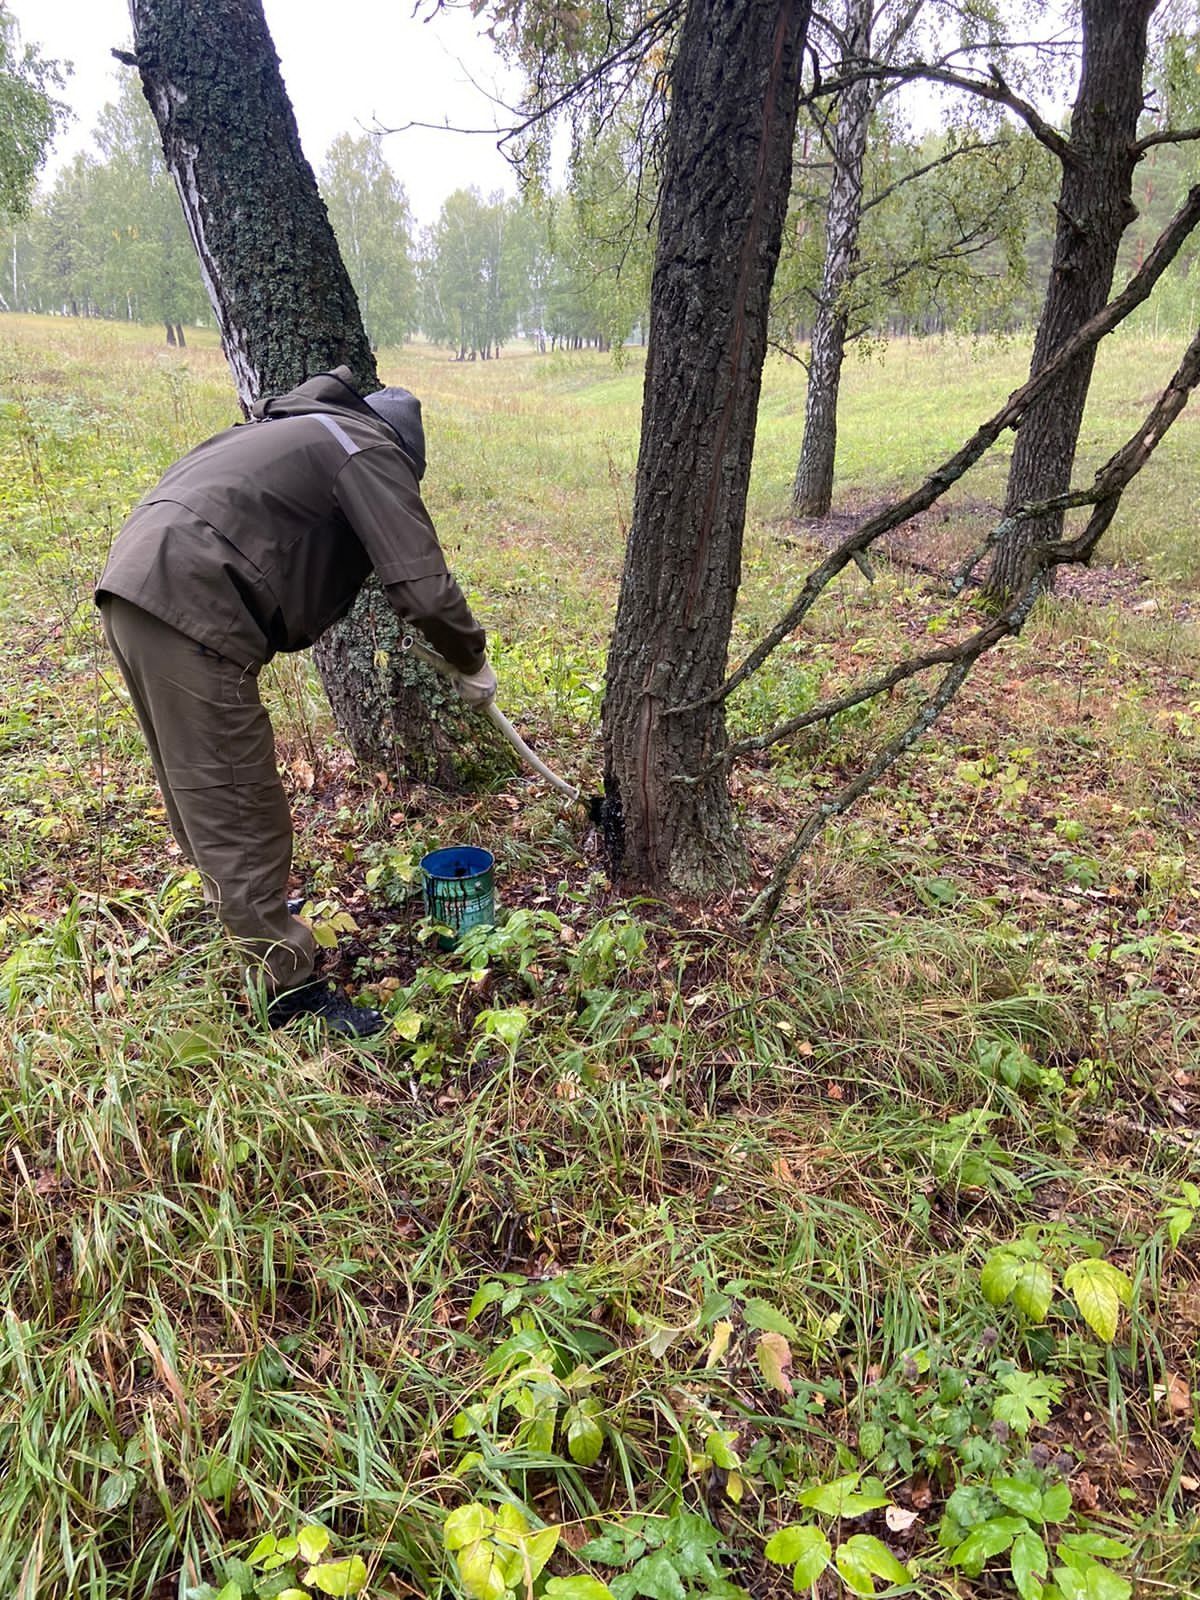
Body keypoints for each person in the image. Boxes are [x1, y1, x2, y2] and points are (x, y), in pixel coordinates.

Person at [96, 365, 495, 1039]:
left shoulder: (295, 430)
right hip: (196, 598)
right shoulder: (365, 447)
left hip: (137, 586)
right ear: (403, 451)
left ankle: (252, 920)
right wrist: (470, 657)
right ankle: (287, 993)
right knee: (236, 799)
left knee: (198, 789)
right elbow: (424, 590)